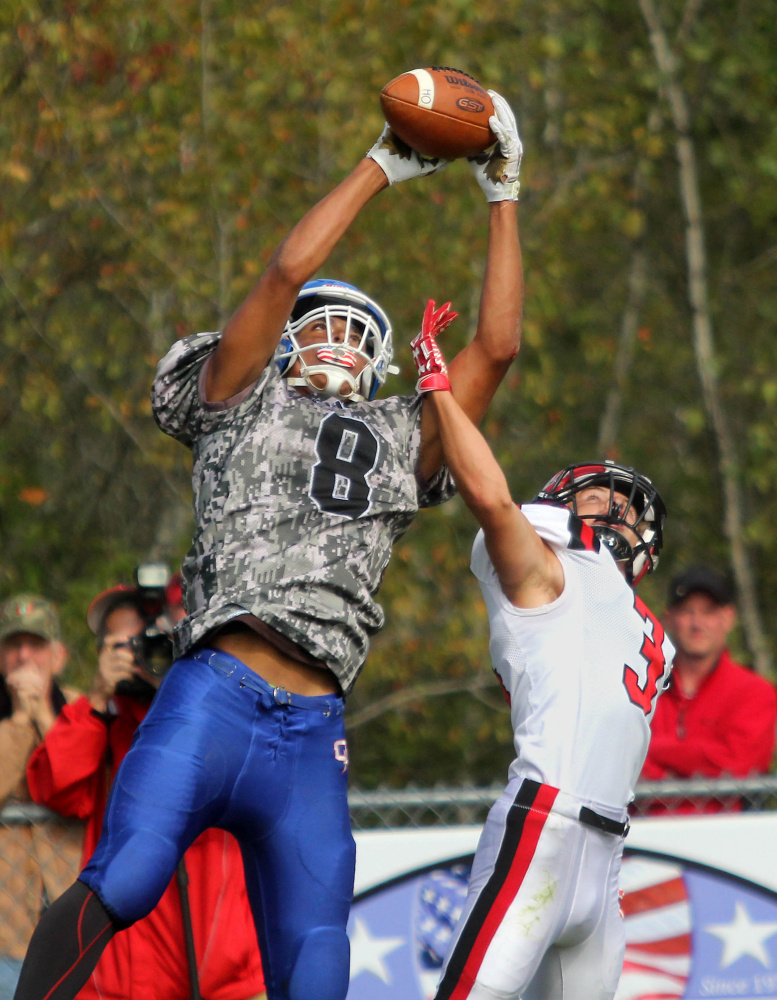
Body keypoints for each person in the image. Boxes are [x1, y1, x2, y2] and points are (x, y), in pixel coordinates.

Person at [14, 90, 524, 1000]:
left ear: (383, 363)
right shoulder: (242, 391)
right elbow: (288, 267)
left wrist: (503, 194)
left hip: (314, 730)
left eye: (357, 332)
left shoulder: (399, 435)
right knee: (125, 878)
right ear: (285, 342)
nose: (334, 341)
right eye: (319, 325)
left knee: (319, 960)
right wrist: (381, 165)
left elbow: (497, 347)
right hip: (214, 693)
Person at [408, 313, 674, 1000]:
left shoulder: (647, 624)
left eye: (628, 505)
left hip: (609, 848)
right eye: (600, 498)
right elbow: (493, 501)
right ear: (561, 509)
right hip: (543, 827)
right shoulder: (549, 570)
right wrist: (440, 389)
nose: (619, 512)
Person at [25, 581, 265, 1000]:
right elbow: (55, 787)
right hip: (126, 983)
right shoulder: (104, 724)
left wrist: (189, 683)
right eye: (126, 646)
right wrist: (98, 697)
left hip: (229, 982)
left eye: (158, 643)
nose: (145, 657)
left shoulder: (231, 709)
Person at [639, 564, 777, 813]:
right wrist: (704, 763)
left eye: (708, 612)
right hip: (643, 838)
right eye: (686, 611)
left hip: (724, 842)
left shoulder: (756, 693)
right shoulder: (640, 687)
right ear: (668, 617)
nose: (697, 623)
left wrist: (650, 748)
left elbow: (739, 765)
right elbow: (619, 761)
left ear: (728, 618)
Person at [0, 596, 81, 1000]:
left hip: (76, 921)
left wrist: (46, 717)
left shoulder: (82, 708)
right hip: (7, 931)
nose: (24, 656)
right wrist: (18, 719)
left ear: (59, 655)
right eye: (13, 646)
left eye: (36, 644)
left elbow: (80, 786)